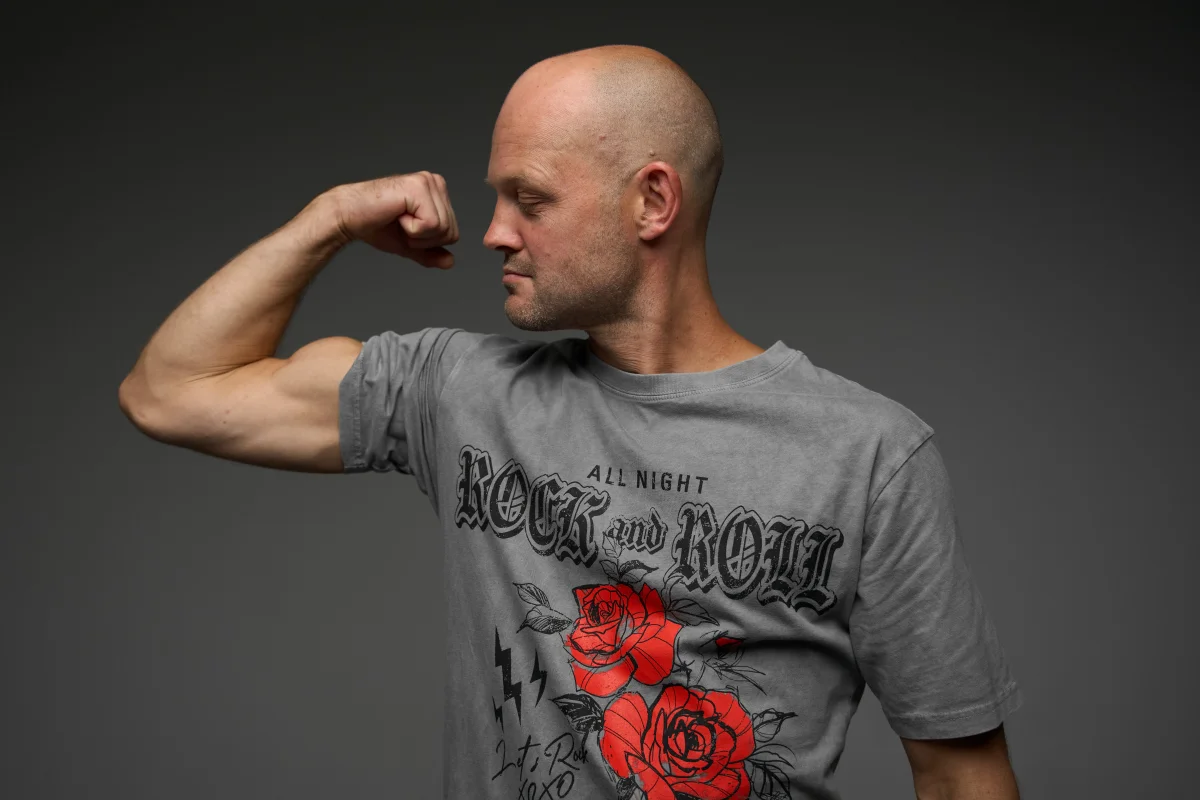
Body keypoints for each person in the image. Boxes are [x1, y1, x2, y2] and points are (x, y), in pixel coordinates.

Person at [118, 44, 1023, 800]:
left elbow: (961, 777)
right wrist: (330, 219)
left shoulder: (869, 454)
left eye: (531, 198)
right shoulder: (461, 391)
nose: (494, 232)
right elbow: (172, 390)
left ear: (652, 202)